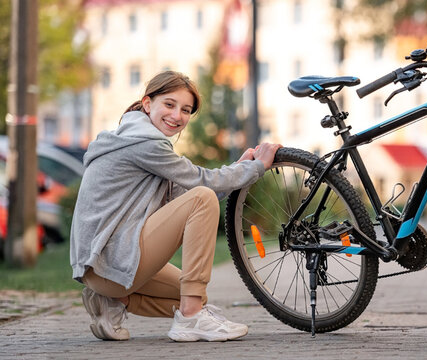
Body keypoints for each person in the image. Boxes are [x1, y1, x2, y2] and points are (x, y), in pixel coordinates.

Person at [70, 70, 281, 342]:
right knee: (202, 200)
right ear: (147, 104)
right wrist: (255, 168)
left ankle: (115, 302)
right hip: (108, 262)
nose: (177, 116)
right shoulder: (145, 144)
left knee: (193, 292)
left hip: (101, 268)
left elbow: (189, 194)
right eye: (169, 104)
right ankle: (191, 319)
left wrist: (240, 169)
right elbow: (201, 188)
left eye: (186, 110)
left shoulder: (132, 138)